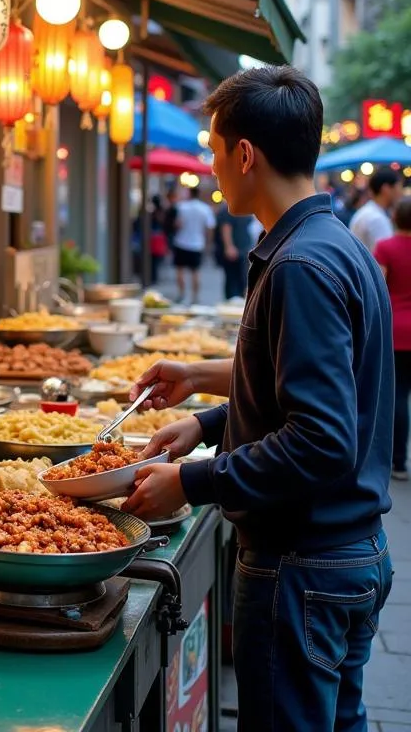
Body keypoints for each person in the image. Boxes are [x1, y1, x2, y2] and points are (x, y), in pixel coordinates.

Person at [122, 66, 393, 732]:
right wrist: (206, 419)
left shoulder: (302, 266)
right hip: (346, 555)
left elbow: (322, 441)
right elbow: (311, 399)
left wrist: (191, 482)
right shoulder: (336, 246)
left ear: (246, 155)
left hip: (303, 566)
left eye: (214, 153)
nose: (211, 170)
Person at [374, 197, 411, 481]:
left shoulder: (385, 248)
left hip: (395, 330)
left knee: (396, 395)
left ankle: (396, 462)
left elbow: (377, 287)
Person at [171, 186, 215, 304]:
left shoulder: (182, 207)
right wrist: (208, 243)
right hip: (197, 243)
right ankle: (195, 297)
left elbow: (177, 224)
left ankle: (181, 294)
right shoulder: (205, 209)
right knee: (195, 272)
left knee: (180, 270)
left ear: (189, 194)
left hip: (181, 242)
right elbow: (210, 228)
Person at [214, 200, 254, 299]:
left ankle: (240, 302)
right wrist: (229, 247)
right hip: (234, 251)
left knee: (243, 280)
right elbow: (226, 228)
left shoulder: (245, 209)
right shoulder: (228, 209)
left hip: (243, 250)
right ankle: (232, 302)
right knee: (233, 280)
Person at [350, 170, 399, 251]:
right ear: (386, 189)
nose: (400, 193)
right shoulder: (376, 218)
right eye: (398, 187)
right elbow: (386, 255)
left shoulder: (370, 212)